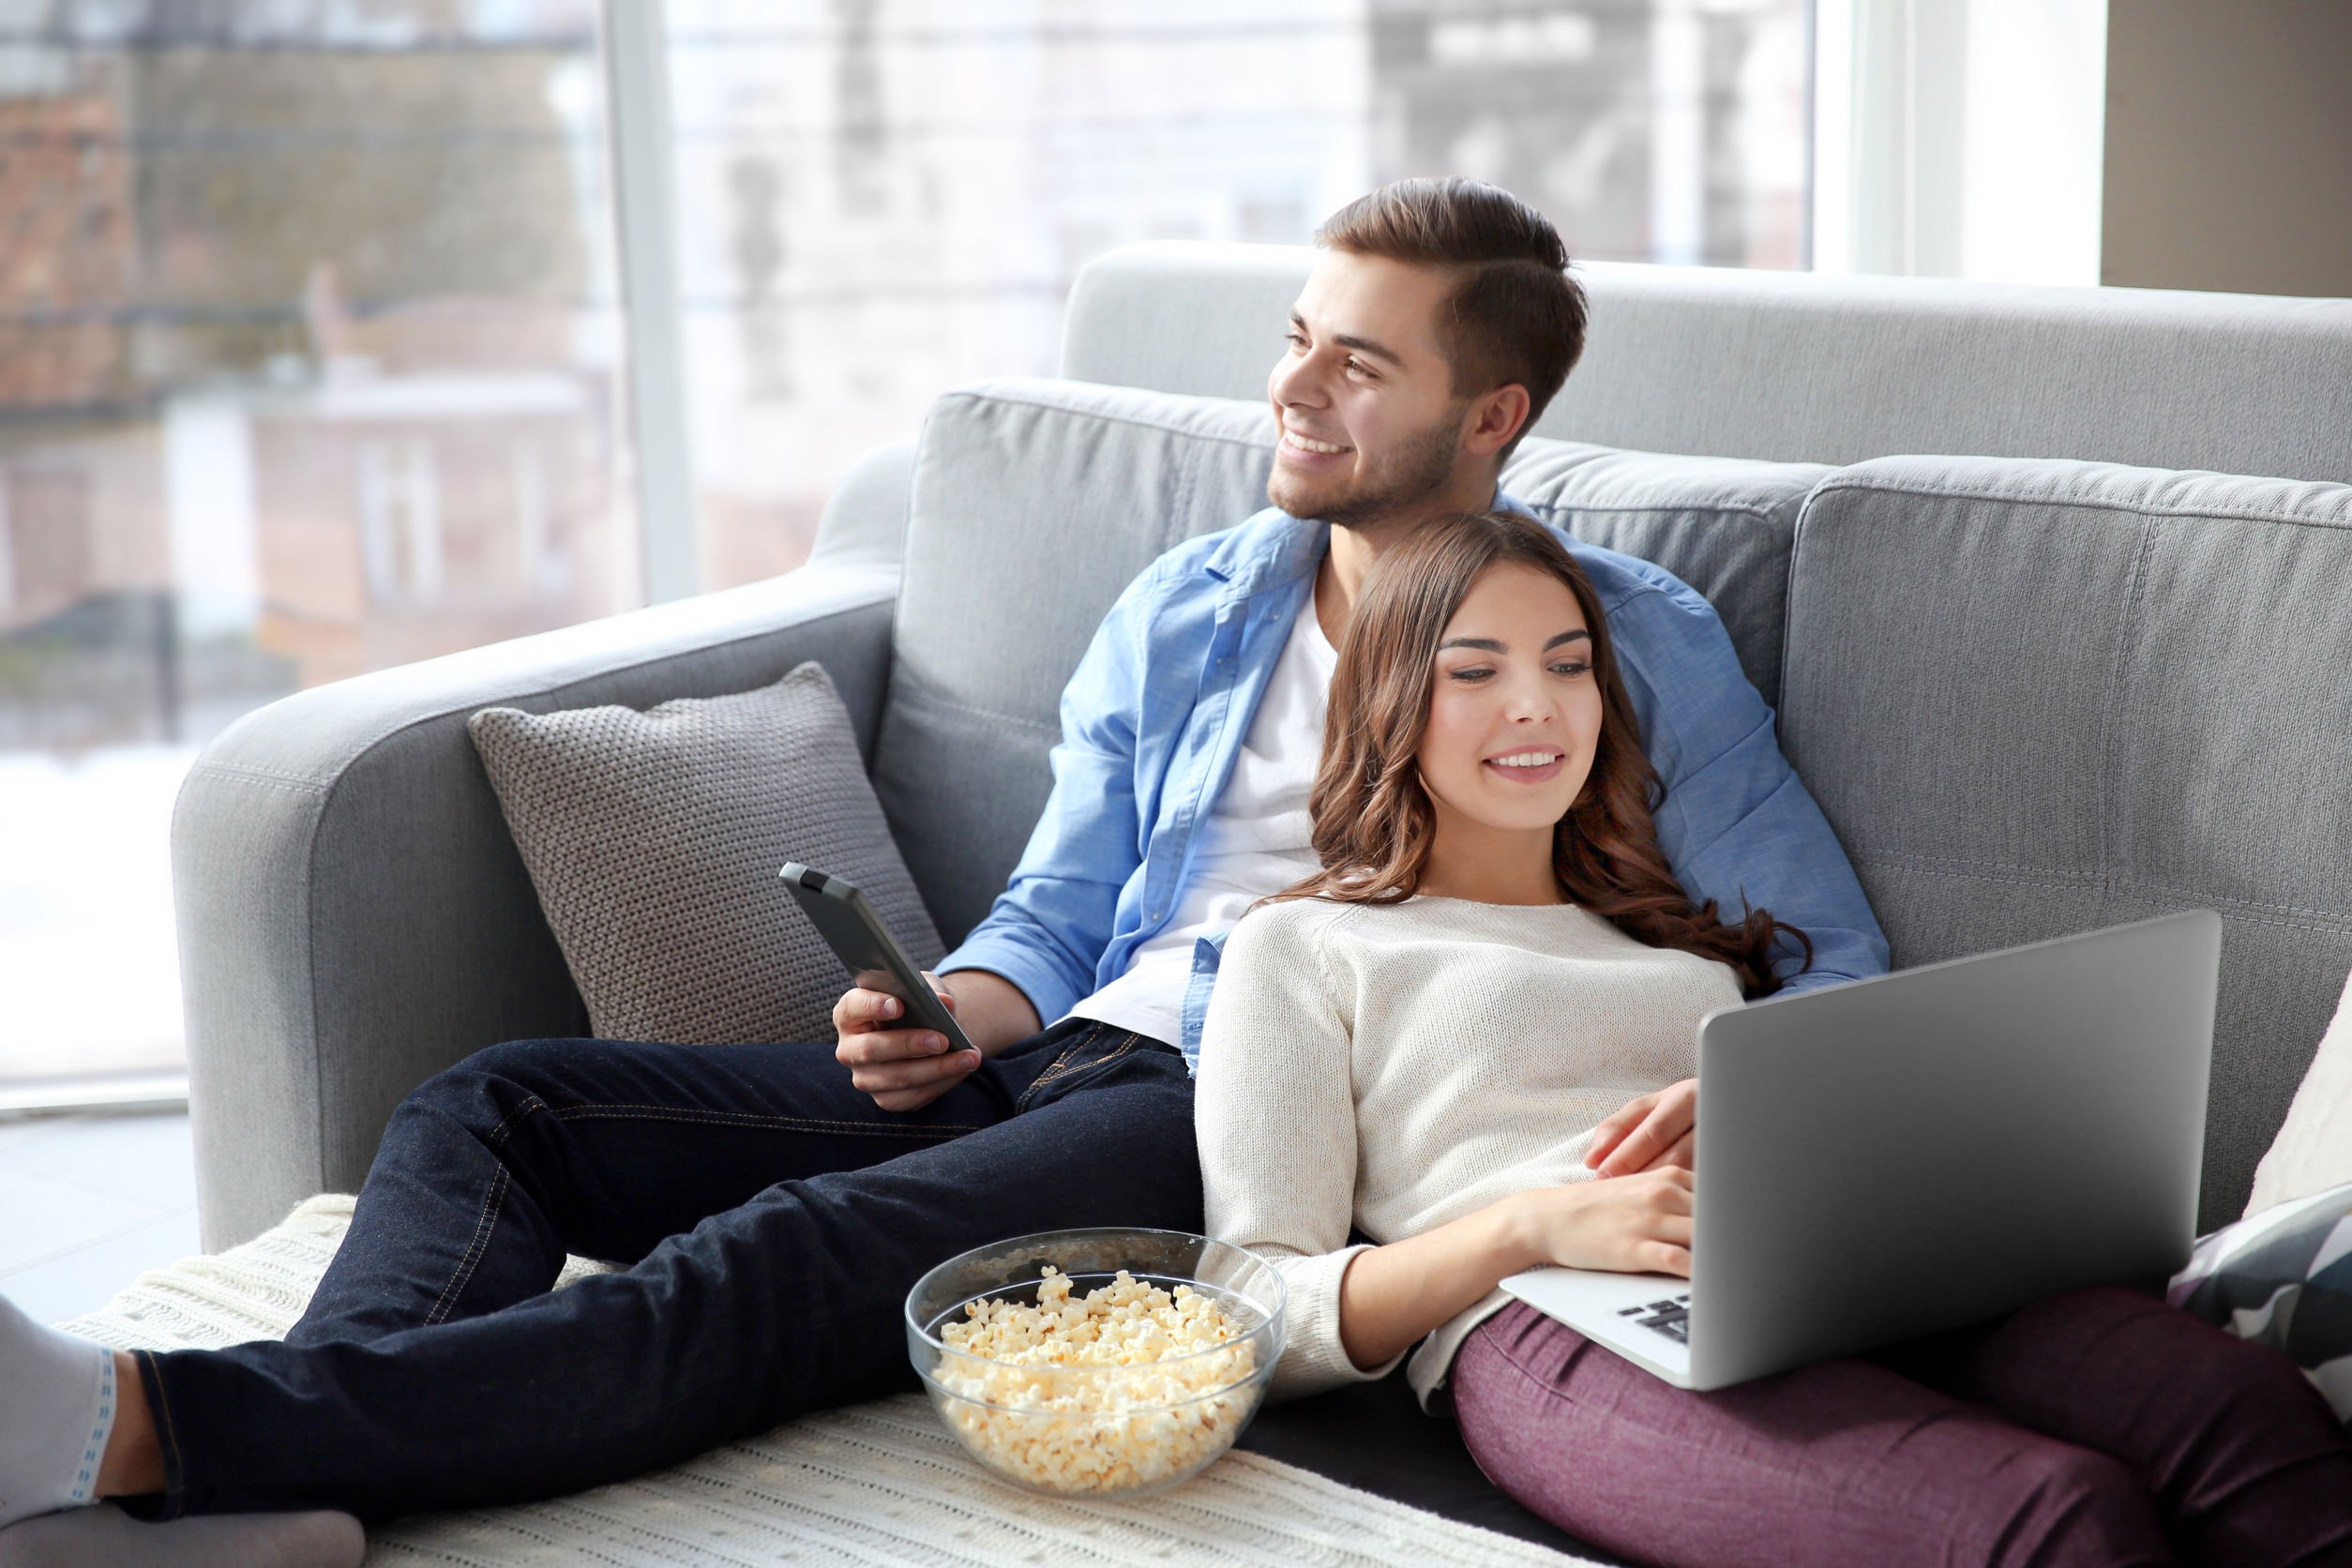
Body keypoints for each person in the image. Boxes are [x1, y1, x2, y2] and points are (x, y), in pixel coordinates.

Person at [0, 179, 1889, 1555]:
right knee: (497, 1106)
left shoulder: (1621, 641)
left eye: (1361, 363)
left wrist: (1667, 1130)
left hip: (1246, 1102)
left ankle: (148, 1421)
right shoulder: (1192, 601)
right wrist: (945, 1014)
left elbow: (1823, 960)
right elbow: (1064, 910)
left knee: (788, 1264)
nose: (1295, 389)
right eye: (1295, 337)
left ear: (1493, 416)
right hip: (1068, 1051)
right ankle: (312, 1478)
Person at [1193, 508, 2352, 1568]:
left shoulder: (1673, 944)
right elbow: (1250, 1310)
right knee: (2050, 1515)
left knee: (2243, 1414)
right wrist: (1531, 1222)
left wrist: (1789, 1119)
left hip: (1833, 1256)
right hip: (1554, 1316)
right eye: (1475, 672)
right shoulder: (1308, 946)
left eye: (1569, 664)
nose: (1538, 706)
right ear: (1389, 697)